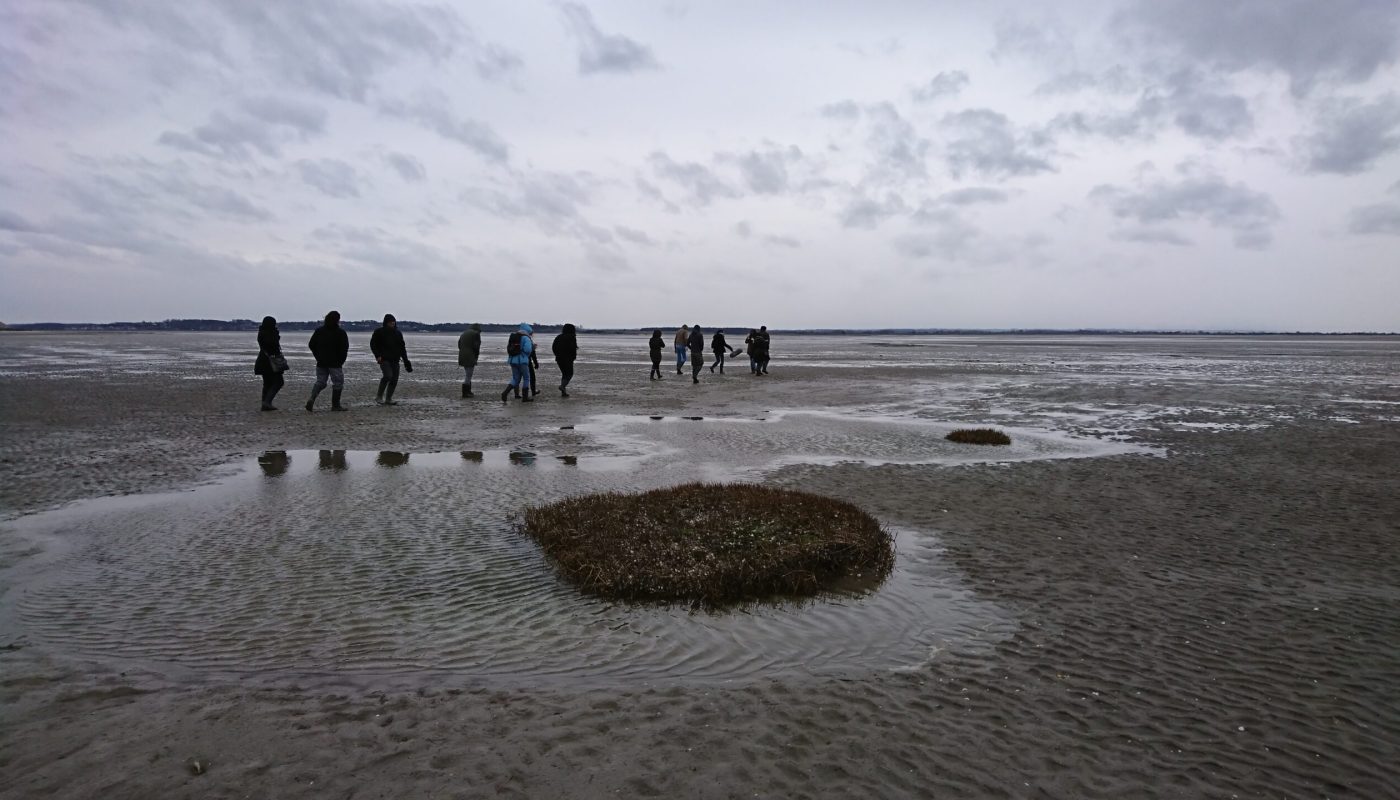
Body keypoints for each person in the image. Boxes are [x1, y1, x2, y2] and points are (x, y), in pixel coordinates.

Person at [305, 310, 349, 412]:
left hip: (321, 362)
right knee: (338, 383)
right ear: (337, 320)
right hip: (335, 363)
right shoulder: (340, 333)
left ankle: (312, 398)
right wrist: (341, 361)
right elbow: (344, 348)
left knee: (320, 382)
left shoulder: (319, 331)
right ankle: (335, 405)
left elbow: (311, 345)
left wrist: (318, 356)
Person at [370, 313, 412, 406]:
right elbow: (373, 345)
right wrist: (377, 356)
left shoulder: (398, 333)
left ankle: (388, 399)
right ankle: (379, 396)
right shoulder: (379, 332)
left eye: (393, 323)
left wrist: (406, 362)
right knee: (388, 376)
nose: (392, 324)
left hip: (395, 359)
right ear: (386, 323)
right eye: (390, 323)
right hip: (384, 359)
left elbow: (402, 348)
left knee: (394, 379)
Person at [254, 316, 286, 411]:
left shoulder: (261, 332)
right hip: (270, 361)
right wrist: (277, 335)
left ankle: (265, 403)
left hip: (262, 360)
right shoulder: (270, 333)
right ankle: (267, 402)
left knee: (267, 383)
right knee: (279, 382)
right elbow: (273, 345)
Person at [500, 323, 534, 402]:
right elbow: (528, 350)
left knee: (515, 378)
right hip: (522, 360)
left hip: (512, 360)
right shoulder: (526, 338)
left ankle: (505, 392)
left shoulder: (514, 336)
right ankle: (525, 397)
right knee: (526, 378)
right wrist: (532, 348)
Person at [552, 323, 579, 397]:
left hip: (559, 359)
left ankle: (563, 392)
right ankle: (562, 386)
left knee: (564, 374)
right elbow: (573, 348)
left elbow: (554, 347)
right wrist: (573, 357)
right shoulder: (572, 337)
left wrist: (557, 355)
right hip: (568, 359)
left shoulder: (558, 337)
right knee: (570, 374)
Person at [457, 322, 482, 398]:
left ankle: (468, 391)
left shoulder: (464, 333)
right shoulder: (476, 334)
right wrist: (476, 356)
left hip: (462, 355)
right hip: (470, 355)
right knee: (469, 375)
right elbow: (476, 347)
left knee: (467, 373)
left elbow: (459, 344)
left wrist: (463, 350)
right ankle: (465, 393)